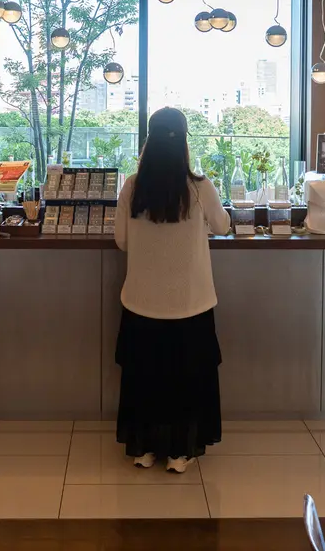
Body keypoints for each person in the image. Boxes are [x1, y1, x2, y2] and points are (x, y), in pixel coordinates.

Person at [113, 107, 231, 473]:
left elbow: (121, 241)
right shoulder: (200, 187)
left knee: (146, 377)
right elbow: (222, 226)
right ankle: (180, 452)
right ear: (183, 144)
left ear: (148, 142)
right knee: (186, 380)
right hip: (190, 305)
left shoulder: (132, 186)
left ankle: (145, 449)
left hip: (141, 303)